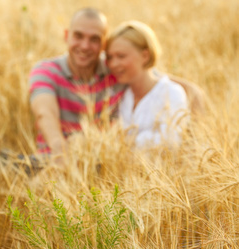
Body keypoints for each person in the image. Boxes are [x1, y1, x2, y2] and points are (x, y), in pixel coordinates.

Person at [28, 8, 203, 164]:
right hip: (52, 161)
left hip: (101, 166)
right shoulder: (46, 71)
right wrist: (61, 154)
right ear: (67, 35)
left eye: (94, 39)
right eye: (78, 36)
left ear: (103, 45)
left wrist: (194, 94)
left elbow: (152, 77)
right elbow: (45, 114)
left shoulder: (114, 71)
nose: (85, 45)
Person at [106, 20, 188, 148]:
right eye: (110, 57)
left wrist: (126, 143)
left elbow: (171, 142)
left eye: (121, 56)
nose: (113, 64)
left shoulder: (171, 93)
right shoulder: (119, 94)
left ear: (145, 56)